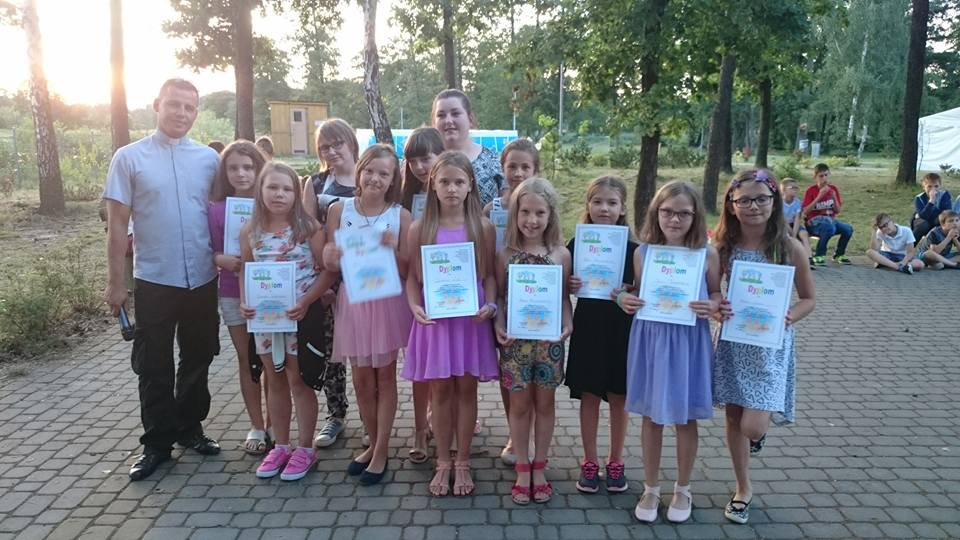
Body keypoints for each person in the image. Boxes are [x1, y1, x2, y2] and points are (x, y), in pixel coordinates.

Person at [103, 79, 222, 481]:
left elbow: (224, 212)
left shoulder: (208, 160)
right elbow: (116, 226)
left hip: (202, 277)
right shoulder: (129, 158)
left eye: (189, 107)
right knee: (153, 363)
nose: (181, 113)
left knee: (199, 354)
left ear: (196, 112)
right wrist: (115, 284)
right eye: (174, 104)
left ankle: (189, 427)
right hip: (154, 278)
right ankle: (157, 443)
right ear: (157, 105)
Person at [713, 169, 816, 524]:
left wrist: (789, 316)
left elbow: (809, 299)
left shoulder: (788, 248)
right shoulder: (724, 247)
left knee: (753, 427)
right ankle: (743, 488)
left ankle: (756, 436)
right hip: (734, 342)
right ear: (731, 204)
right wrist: (719, 306)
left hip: (770, 348)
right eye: (744, 200)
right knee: (734, 416)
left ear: (774, 202)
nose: (753, 206)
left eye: (761, 199)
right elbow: (713, 291)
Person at [615, 181, 721, 523]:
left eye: (683, 213)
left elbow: (717, 294)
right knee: (651, 416)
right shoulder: (643, 253)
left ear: (695, 216)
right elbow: (634, 291)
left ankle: (683, 488)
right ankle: (651, 488)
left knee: (685, 417)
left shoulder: (707, 254)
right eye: (667, 212)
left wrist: (712, 305)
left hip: (689, 342)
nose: (675, 220)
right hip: (651, 340)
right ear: (655, 213)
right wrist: (624, 299)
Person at [401, 150, 499, 497]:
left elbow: (489, 276)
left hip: (470, 322)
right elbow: (413, 279)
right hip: (436, 323)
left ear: (471, 184)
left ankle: (464, 460)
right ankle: (443, 459)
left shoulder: (482, 228)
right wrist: (414, 306)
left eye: (459, 182)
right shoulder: (420, 228)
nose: (452, 188)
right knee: (440, 391)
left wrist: (490, 304)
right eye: (445, 182)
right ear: (433, 185)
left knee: (466, 390)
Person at [323, 145, 414, 485]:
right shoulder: (339, 209)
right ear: (360, 171)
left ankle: (381, 451)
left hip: (387, 303)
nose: (375, 178)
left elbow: (409, 269)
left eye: (384, 173)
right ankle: (373, 442)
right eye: (370, 171)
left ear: (393, 180)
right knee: (361, 380)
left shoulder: (400, 216)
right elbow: (330, 260)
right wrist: (331, 254)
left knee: (385, 378)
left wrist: (394, 249)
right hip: (354, 302)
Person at [239, 162, 335, 481]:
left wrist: (306, 301)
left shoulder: (308, 229)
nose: (279, 194)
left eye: (287, 188)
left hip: (300, 319)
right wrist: (245, 300)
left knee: (299, 381)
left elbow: (328, 271)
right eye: (272, 187)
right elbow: (246, 270)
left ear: (296, 193)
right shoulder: (250, 231)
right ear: (260, 190)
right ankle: (281, 445)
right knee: (274, 378)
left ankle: (305, 448)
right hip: (266, 322)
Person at [494, 177, 573, 505]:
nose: (532, 220)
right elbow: (500, 297)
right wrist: (498, 322)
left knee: (545, 404)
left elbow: (564, 298)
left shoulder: (561, 255)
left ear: (551, 215)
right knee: (519, 405)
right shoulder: (505, 255)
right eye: (525, 212)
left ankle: (539, 465)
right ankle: (522, 465)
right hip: (515, 344)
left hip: (549, 343)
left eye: (540, 212)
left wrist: (568, 322)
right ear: (515, 214)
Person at [564, 176, 637, 495]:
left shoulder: (635, 250)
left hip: (622, 330)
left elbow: (643, 290)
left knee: (619, 397)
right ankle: (590, 461)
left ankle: (616, 460)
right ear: (588, 205)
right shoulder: (576, 244)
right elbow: (562, 282)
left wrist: (633, 290)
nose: (604, 208)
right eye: (597, 202)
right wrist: (569, 284)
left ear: (623, 208)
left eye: (611, 203)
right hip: (589, 327)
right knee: (589, 395)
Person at [207, 140, 272, 454]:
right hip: (233, 293)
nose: (241, 174)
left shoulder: (273, 204)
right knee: (247, 360)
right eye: (233, 168)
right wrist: (220, 259)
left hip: (270, 291)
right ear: (224, 172)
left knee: (272, 360)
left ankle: (274, 424)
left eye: (248, 167)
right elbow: (207, 248)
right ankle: (256, 425)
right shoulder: (216, 209)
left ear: (260, 169)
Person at [302, 118, 359, 448]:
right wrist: (323, 281)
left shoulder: (369, 176)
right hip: (328, 280)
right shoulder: (316, 182)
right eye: (324, 146)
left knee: (367, 354)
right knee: (331, 352)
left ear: (351, 142)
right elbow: (308, 230)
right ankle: (335, 414)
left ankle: (372, 418)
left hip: (366, 280)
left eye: (337, 143)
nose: (332, 151)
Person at [484, 138, 540, 466]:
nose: (518, 173)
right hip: (502, 300)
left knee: (533, 375)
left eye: (525, 167)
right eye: (512, 166)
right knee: (510, 374)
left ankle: (529, 436)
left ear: (535, 170)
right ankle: (513, 433)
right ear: (502, 169)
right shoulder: (491, 209)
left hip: (534, 303)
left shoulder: (543, 208)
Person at [399, 127, 444, 464]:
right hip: (412, 289)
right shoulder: (405, 200)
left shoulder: (454, 195)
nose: (419, 166)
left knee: (442, 365)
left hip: (446, 293)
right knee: (419, 366)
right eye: (412, 160)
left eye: (425, 158)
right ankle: (419, 428)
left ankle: (440, 420)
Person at [431, 89, 503, 207]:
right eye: (441, 115)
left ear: (470, 119)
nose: (448, 120)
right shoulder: (423, 163)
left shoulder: (494, 162)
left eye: (455, 113)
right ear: (434, 123)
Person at [802, 163, 853, 265]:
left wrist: (834, 197)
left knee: (848, 229)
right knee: (829, 227)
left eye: (826, 175)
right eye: (821, 176)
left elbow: (837, 210)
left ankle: (838, 255)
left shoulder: (833, 189)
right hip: (814, 223)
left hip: (830, 221)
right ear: (815, 177)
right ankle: (819, 255)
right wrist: (819, 196)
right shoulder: (811, 191)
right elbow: (805, 212)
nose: (824, 178)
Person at [780, 178, 814, 268]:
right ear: (784, 190)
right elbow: (782, 220)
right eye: (792, 187)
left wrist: (794, 234)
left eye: (796, 188)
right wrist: (791, 233)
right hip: (782, 224)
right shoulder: (780, 203)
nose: (795, 189)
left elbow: (797, 219)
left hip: (793, 224)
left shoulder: (797, 202)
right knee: (786, 235)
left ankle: (809, 258)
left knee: (804, 234)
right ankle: (786, 259)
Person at [911, 173, 951, 240]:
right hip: (923, 221)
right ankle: (910, 244)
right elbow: (923, 217)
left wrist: (921, 215)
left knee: (944, 221)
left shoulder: (944, 195)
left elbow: (946, 213)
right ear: (924, 187)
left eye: (936, 186)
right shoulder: (919, 198)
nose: (933, 189)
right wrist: (931, 201)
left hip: (938, 220)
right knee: (922, 225)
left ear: (940, 186)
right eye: (929, 186)